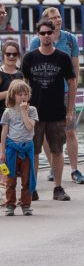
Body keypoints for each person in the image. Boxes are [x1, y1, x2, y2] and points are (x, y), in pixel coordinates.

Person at [21, 20, 77, 201]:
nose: (46, 36)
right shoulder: (29, 58)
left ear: (54, 34)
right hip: (34, 113)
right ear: (38, 35)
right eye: (42, 33)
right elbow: (24, 84)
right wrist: (23, 108)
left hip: (56, 112)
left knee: (57, 150)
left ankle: (58, 187)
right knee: (33, 151)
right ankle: (32, 187)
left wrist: (69, 109)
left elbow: (72, 82)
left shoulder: (62, 57)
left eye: (48, 33)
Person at [30, 8, 84, 185]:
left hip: (65, 93)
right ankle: (54, 168)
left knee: (70, 130)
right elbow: (30, 69)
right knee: (46, 134)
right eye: (53, 18)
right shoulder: (35, 41)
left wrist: (73, 94)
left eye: (59, 16)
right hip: (43, 94)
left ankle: (75, 170)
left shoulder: (70, 40)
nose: (58, 20)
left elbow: (75, 70)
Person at [0, 80, 38, 216]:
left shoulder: (32, 110)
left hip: (27, 147)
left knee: (27, 178)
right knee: (10, 178)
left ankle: (26, 204)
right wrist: (2, 152)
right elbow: (4, 133)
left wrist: (24, 112)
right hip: (11, 148)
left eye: (25, 94)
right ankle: (10, 204)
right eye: (19, 94)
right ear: (12, 95)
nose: (23, 97)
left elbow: (29, 127)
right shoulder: (8, 112)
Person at [0, 41, 24, 206]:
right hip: (1, 119)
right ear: (3, 55)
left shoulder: (20, 75)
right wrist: (11, 92)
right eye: (7, 54)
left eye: (13, 54)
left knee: (10, 159)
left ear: (18, 56)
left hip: (16, 122)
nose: (10, 57)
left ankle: (8, 192)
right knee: (1, 158)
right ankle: (3, 192)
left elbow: (24, 95)